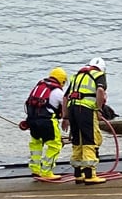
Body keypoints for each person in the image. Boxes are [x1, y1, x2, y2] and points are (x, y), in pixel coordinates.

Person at [62, 57, 108, 185]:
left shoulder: (76, 77)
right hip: (86, 110)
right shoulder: (99, 75)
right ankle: (90, 175)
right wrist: (99, 109)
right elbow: (100, 90)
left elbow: (65, 97)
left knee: (77, 141)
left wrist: (65, 117)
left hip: (72, 109)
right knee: (89, 140)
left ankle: (78, 174)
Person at [25, 67, 67, 179]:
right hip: (47, 122)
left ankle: (35, 169)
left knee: (36, 144)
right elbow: (65, 109)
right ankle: (47, 171)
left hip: (32, 120)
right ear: (62, 80)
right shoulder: (58, 92)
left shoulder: (38, 87)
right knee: (55, 145)